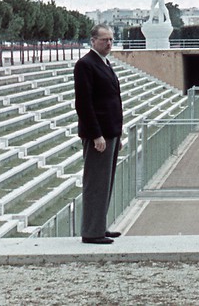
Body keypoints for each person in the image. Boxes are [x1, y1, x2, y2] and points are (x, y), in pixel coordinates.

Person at [73, 24, 124, 245]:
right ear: (93, 40)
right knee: (95, 183)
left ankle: (99, 226)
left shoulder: (104, 63)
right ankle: (92, 232)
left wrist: (117, 135)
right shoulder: (85, 65)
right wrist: (96, 135)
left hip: (110, 132)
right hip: (99, 135)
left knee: (106, 182)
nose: (109, 44)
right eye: (104, 40)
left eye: (111, 40)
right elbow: (84, 104)